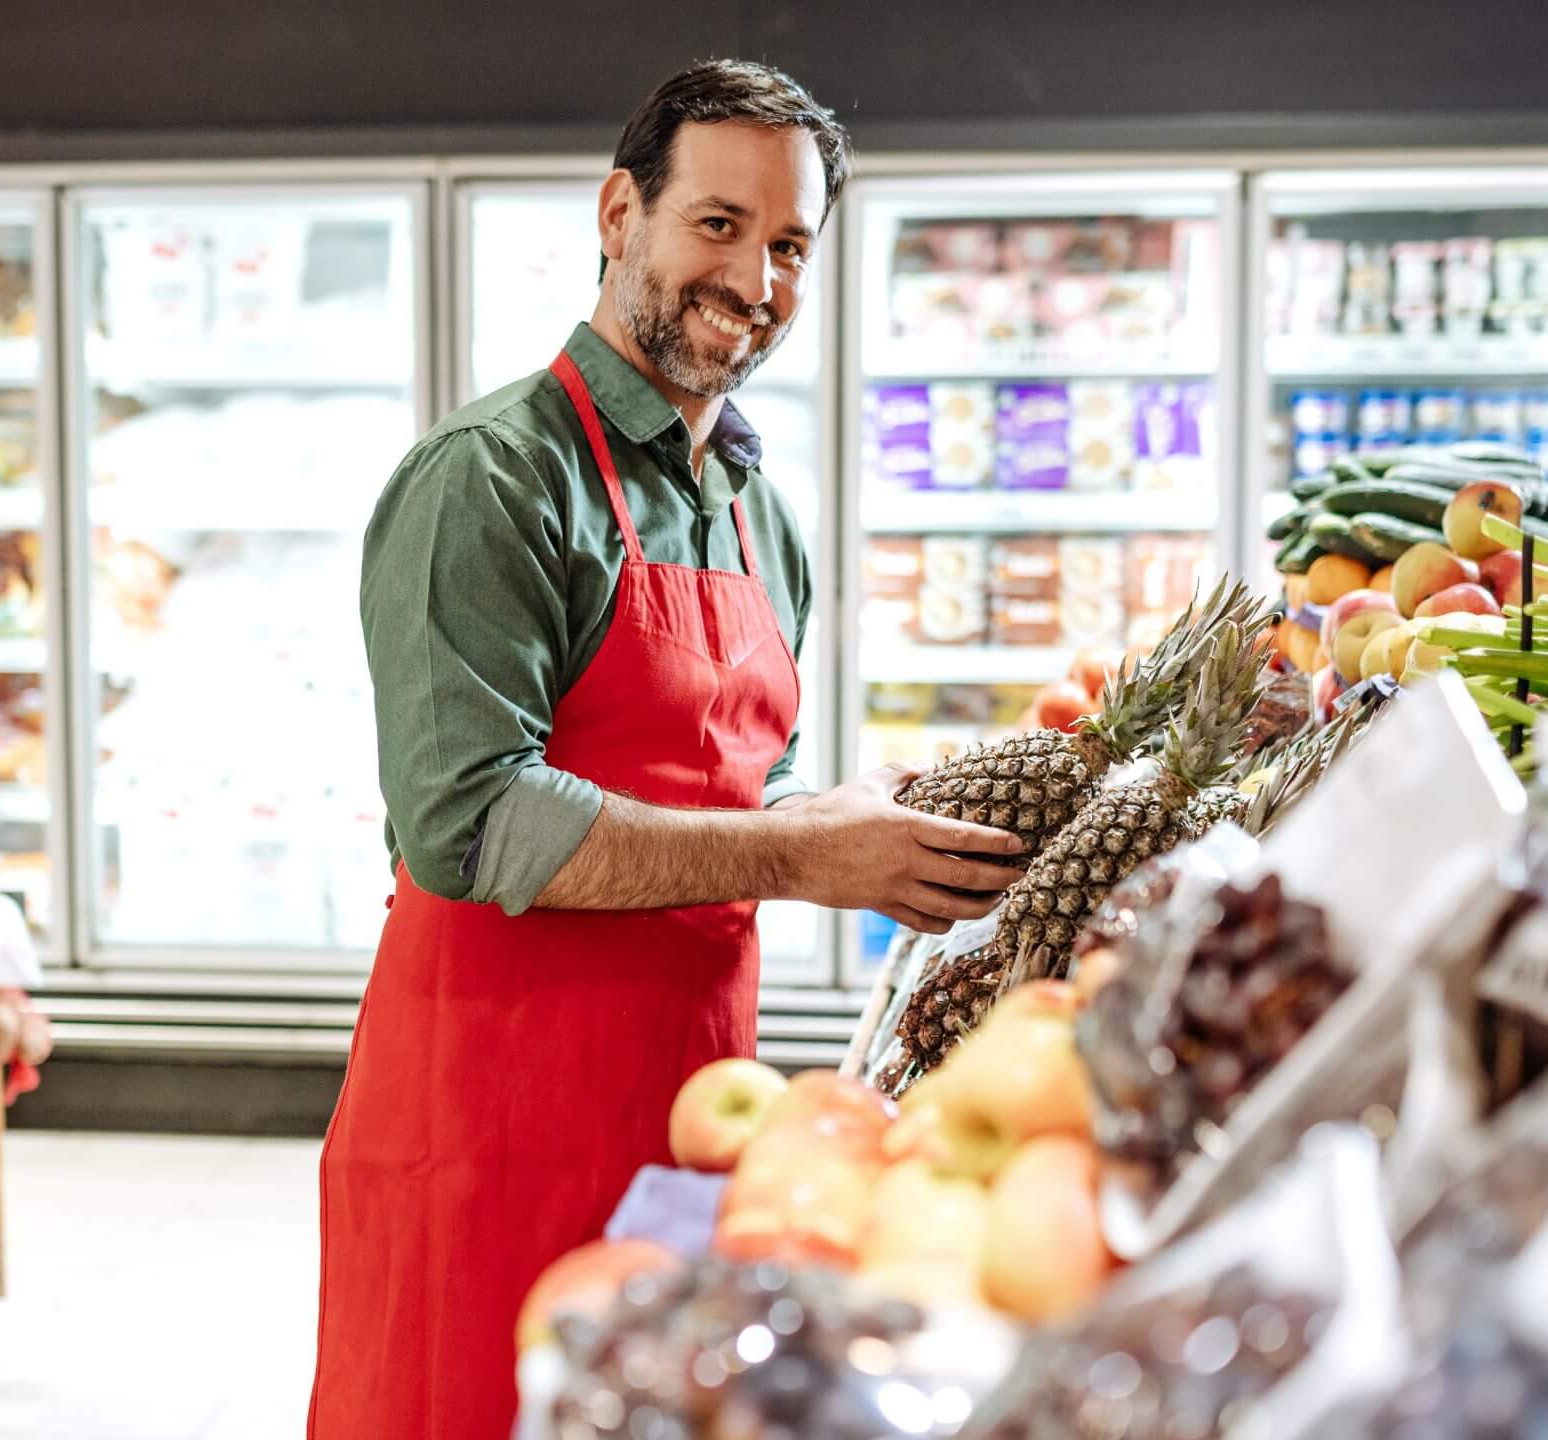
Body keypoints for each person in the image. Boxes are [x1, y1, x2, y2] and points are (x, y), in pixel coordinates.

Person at [309, 58, 1023, 1439]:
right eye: (718, 224)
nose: (754, 278)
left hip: (698, 1099)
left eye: (790, 245)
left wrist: (880, 828)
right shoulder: (492, 478)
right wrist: (804, 853)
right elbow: (468, 823)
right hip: (487, 1113)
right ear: (618, 211)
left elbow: (740, 797)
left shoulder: (763, 514)